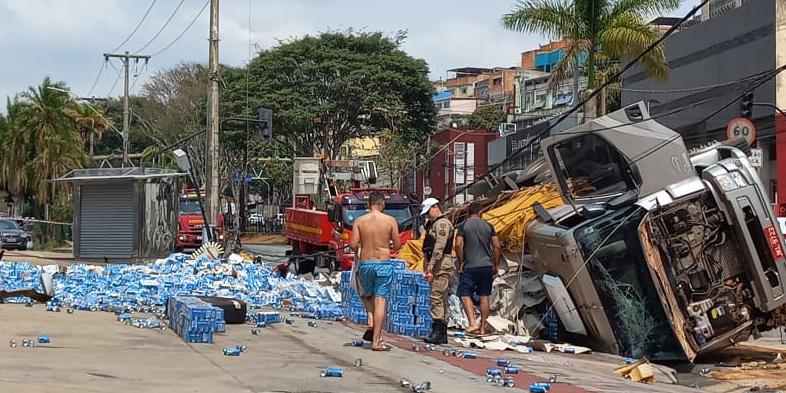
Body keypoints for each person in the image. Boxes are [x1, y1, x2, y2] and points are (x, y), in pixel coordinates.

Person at [350, 191, 401, 351]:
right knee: (381, 301)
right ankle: (377, 340)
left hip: (366, 263)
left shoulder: (360, 221)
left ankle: (370, 320)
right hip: (383, 263)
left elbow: (353, 244)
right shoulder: (390, 220)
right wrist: (388, 245)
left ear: (368, 204)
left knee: (366, 294)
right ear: (382, 203)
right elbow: (398, 245)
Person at [454, 202, 500, 335]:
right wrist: (495, 264)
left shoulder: (463, 226)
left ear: (469, 213)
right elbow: (497, 246)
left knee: (464, 293)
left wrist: (461, 261)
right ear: (480, 212)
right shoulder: (489, 226)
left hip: (470, 266)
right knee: (484, 295)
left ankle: (472, 323)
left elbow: (458, 244)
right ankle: (482, 327)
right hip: (486, 266)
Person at [420, 197, 454, 345]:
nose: (427, 216)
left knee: (436, 297)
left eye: (428, 212)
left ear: (435, 208)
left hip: (440, 266)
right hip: (436, 265)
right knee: (440, 297)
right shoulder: (432, 224)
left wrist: (431, 264)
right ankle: (441, 331)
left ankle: (439, 331)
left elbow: (439, 246)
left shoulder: (442, 224)